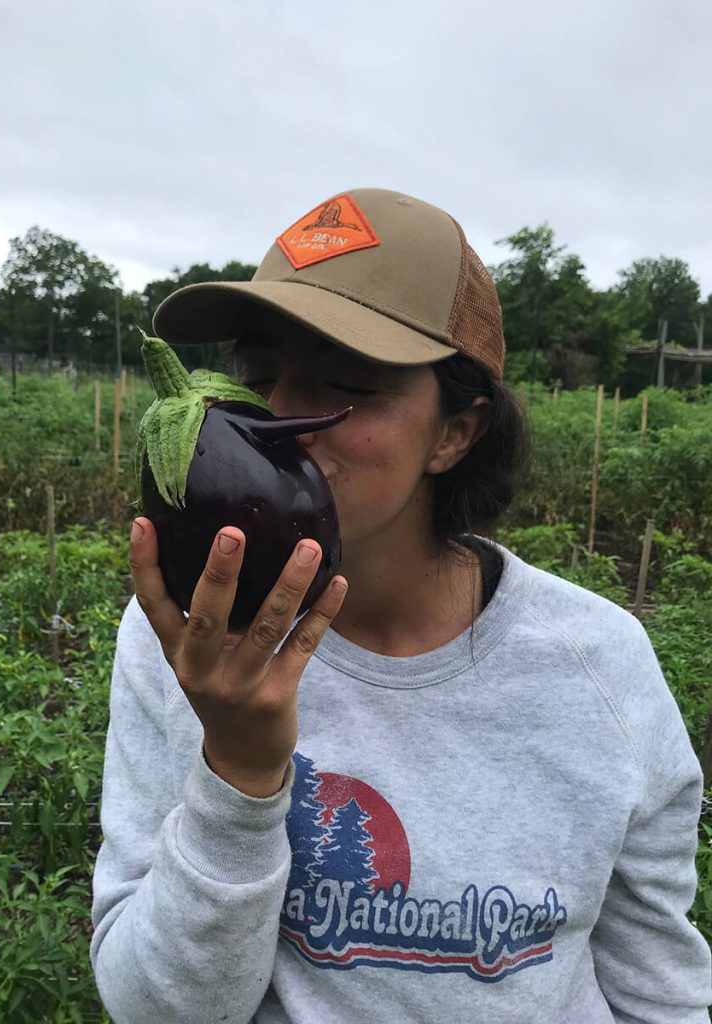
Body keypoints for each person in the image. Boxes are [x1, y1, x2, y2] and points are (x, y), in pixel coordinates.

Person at [90, 189, 712, 1023]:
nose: (279, 420)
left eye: (345, 385)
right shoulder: (188, 640)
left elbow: (660, 994)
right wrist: (238, 774)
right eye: (256, 378)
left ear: (456, 432)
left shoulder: (599, 665)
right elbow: (157, 1010)